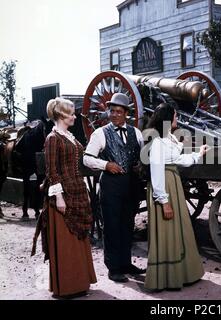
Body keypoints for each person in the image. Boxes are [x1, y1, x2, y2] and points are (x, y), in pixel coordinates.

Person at [32, 97, 97, 299]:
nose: (75, 116)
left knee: (77, 240)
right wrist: (59, 198)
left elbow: (82, 157)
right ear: (61, 115)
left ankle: (80, 282)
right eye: (71, 113)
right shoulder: (53, 138)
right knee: (66, 242)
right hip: (62, 195)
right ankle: (68, 286)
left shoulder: (68, 136)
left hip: (77, 189)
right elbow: (53, 172)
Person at [145, 103, 209, 291]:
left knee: (178, 228)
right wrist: (164, 202)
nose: (177, 119)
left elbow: (178, 159)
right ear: (167, 119)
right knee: (167, 231)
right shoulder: (157, 142)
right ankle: (166, 278)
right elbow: (156, 173)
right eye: (174, 116)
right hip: (165, 186)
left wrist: (198, 154)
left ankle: (182, 273)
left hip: (173, 183)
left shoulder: (169, 138)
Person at [83, 93, 145, 283]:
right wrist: (106, 165)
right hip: (111, 185)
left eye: (119, 111)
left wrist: (140, 165)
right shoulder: (100, 133)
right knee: (111, 226)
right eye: (112, 111)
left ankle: (126, 263)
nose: (115, 115)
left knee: (127, 225)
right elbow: (87, 158)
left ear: (126, 113)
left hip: (131, 185)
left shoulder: (137, 133)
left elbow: (142, 156)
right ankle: (114, 268)